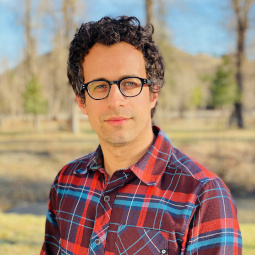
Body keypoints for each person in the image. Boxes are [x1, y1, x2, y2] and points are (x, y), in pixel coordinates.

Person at [41, 16, 242, 255]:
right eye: (99, 86)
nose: (115, 100)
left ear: (153, 93)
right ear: (82, 102)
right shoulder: (66, 183)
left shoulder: (203, 195)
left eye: (130, 83)